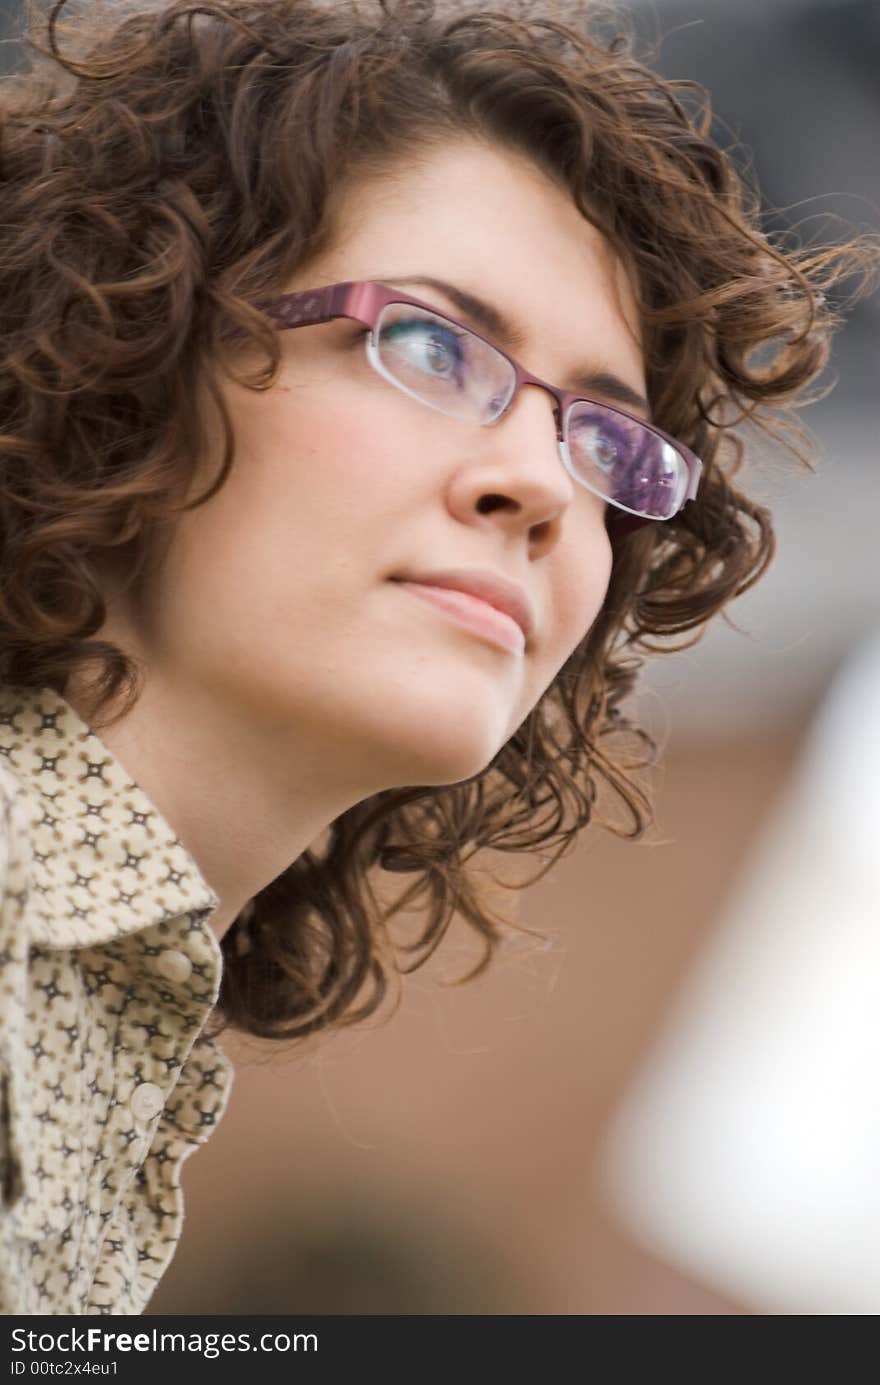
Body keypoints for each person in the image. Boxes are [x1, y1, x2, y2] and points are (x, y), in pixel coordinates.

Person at [0, 0, 865, 1315]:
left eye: (604, 440)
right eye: (428, 344)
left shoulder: (112, 1024)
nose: (541, 483)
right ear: (131, 346)